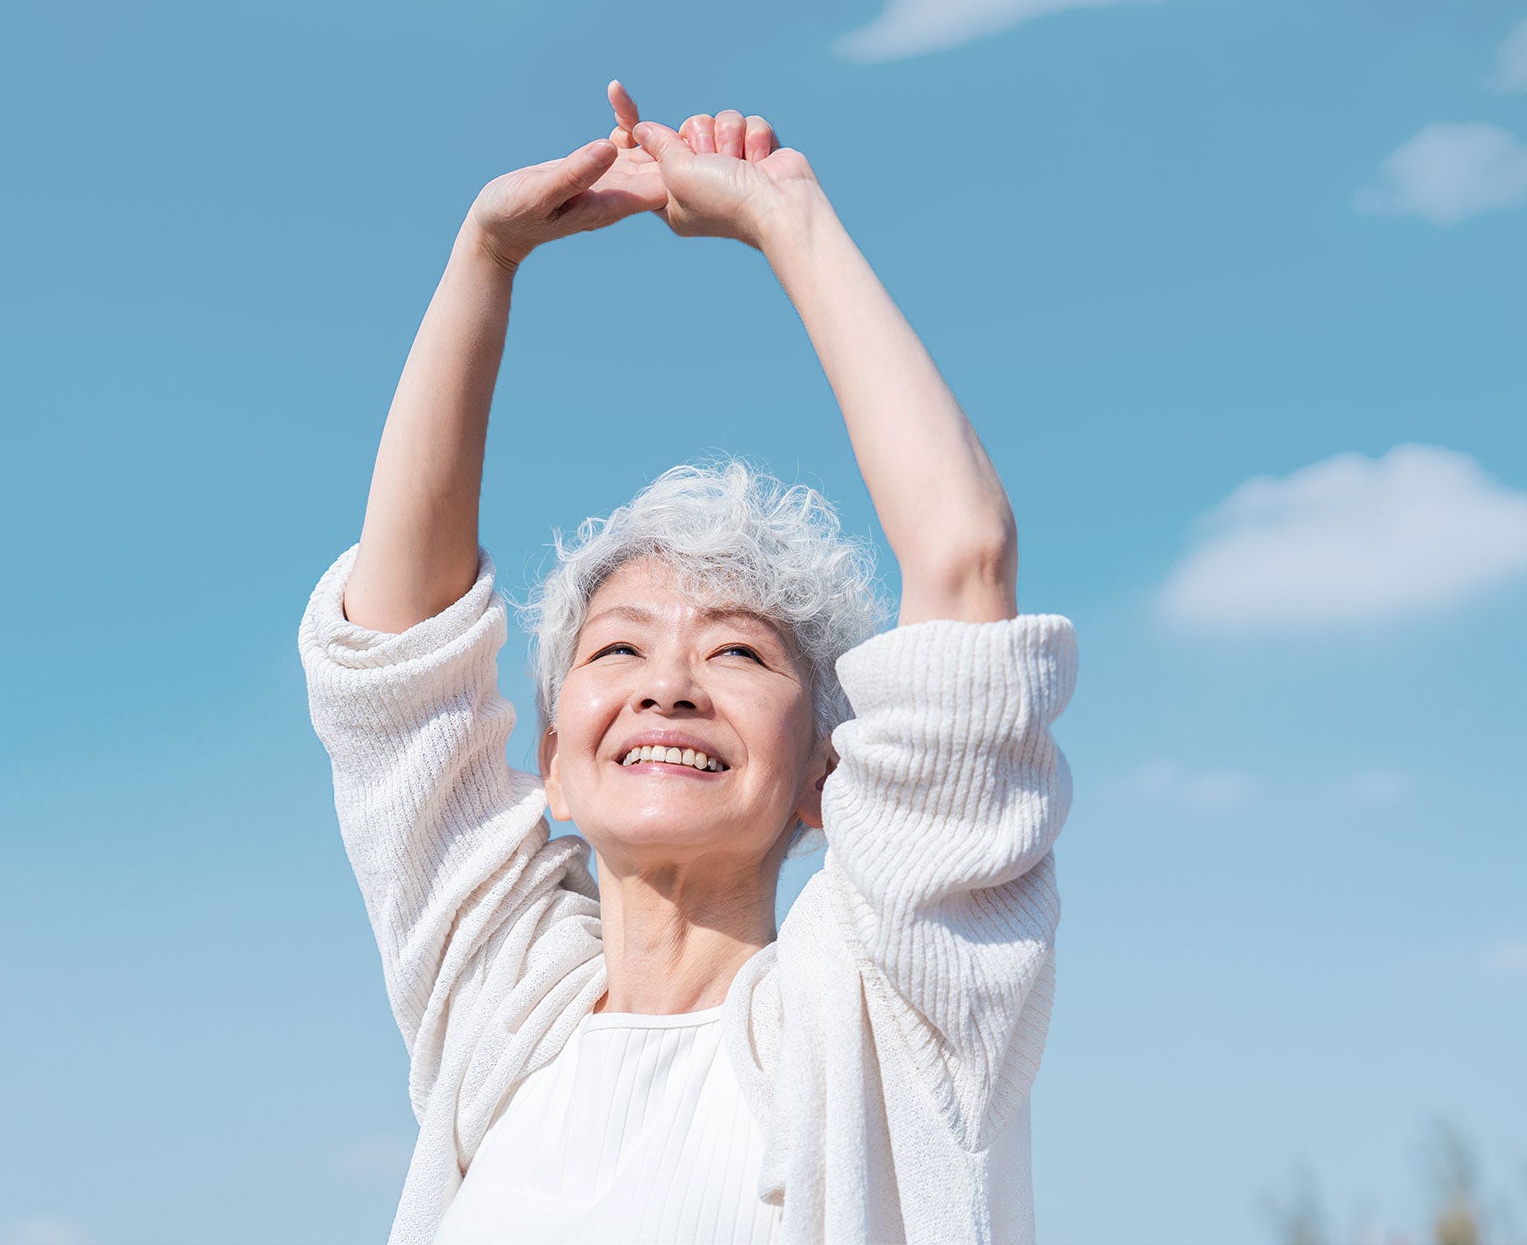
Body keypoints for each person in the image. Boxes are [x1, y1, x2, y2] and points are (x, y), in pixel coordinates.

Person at [298, 79, 1078, 1245]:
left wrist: (789, 223)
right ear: (552, 758)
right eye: (619, 647)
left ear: (828, 774)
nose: (670, 684)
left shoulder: (888, 1009)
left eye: (737, 653)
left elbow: (965, 559)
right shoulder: (505, 1009)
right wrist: (486, 256)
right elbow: (392, 670)